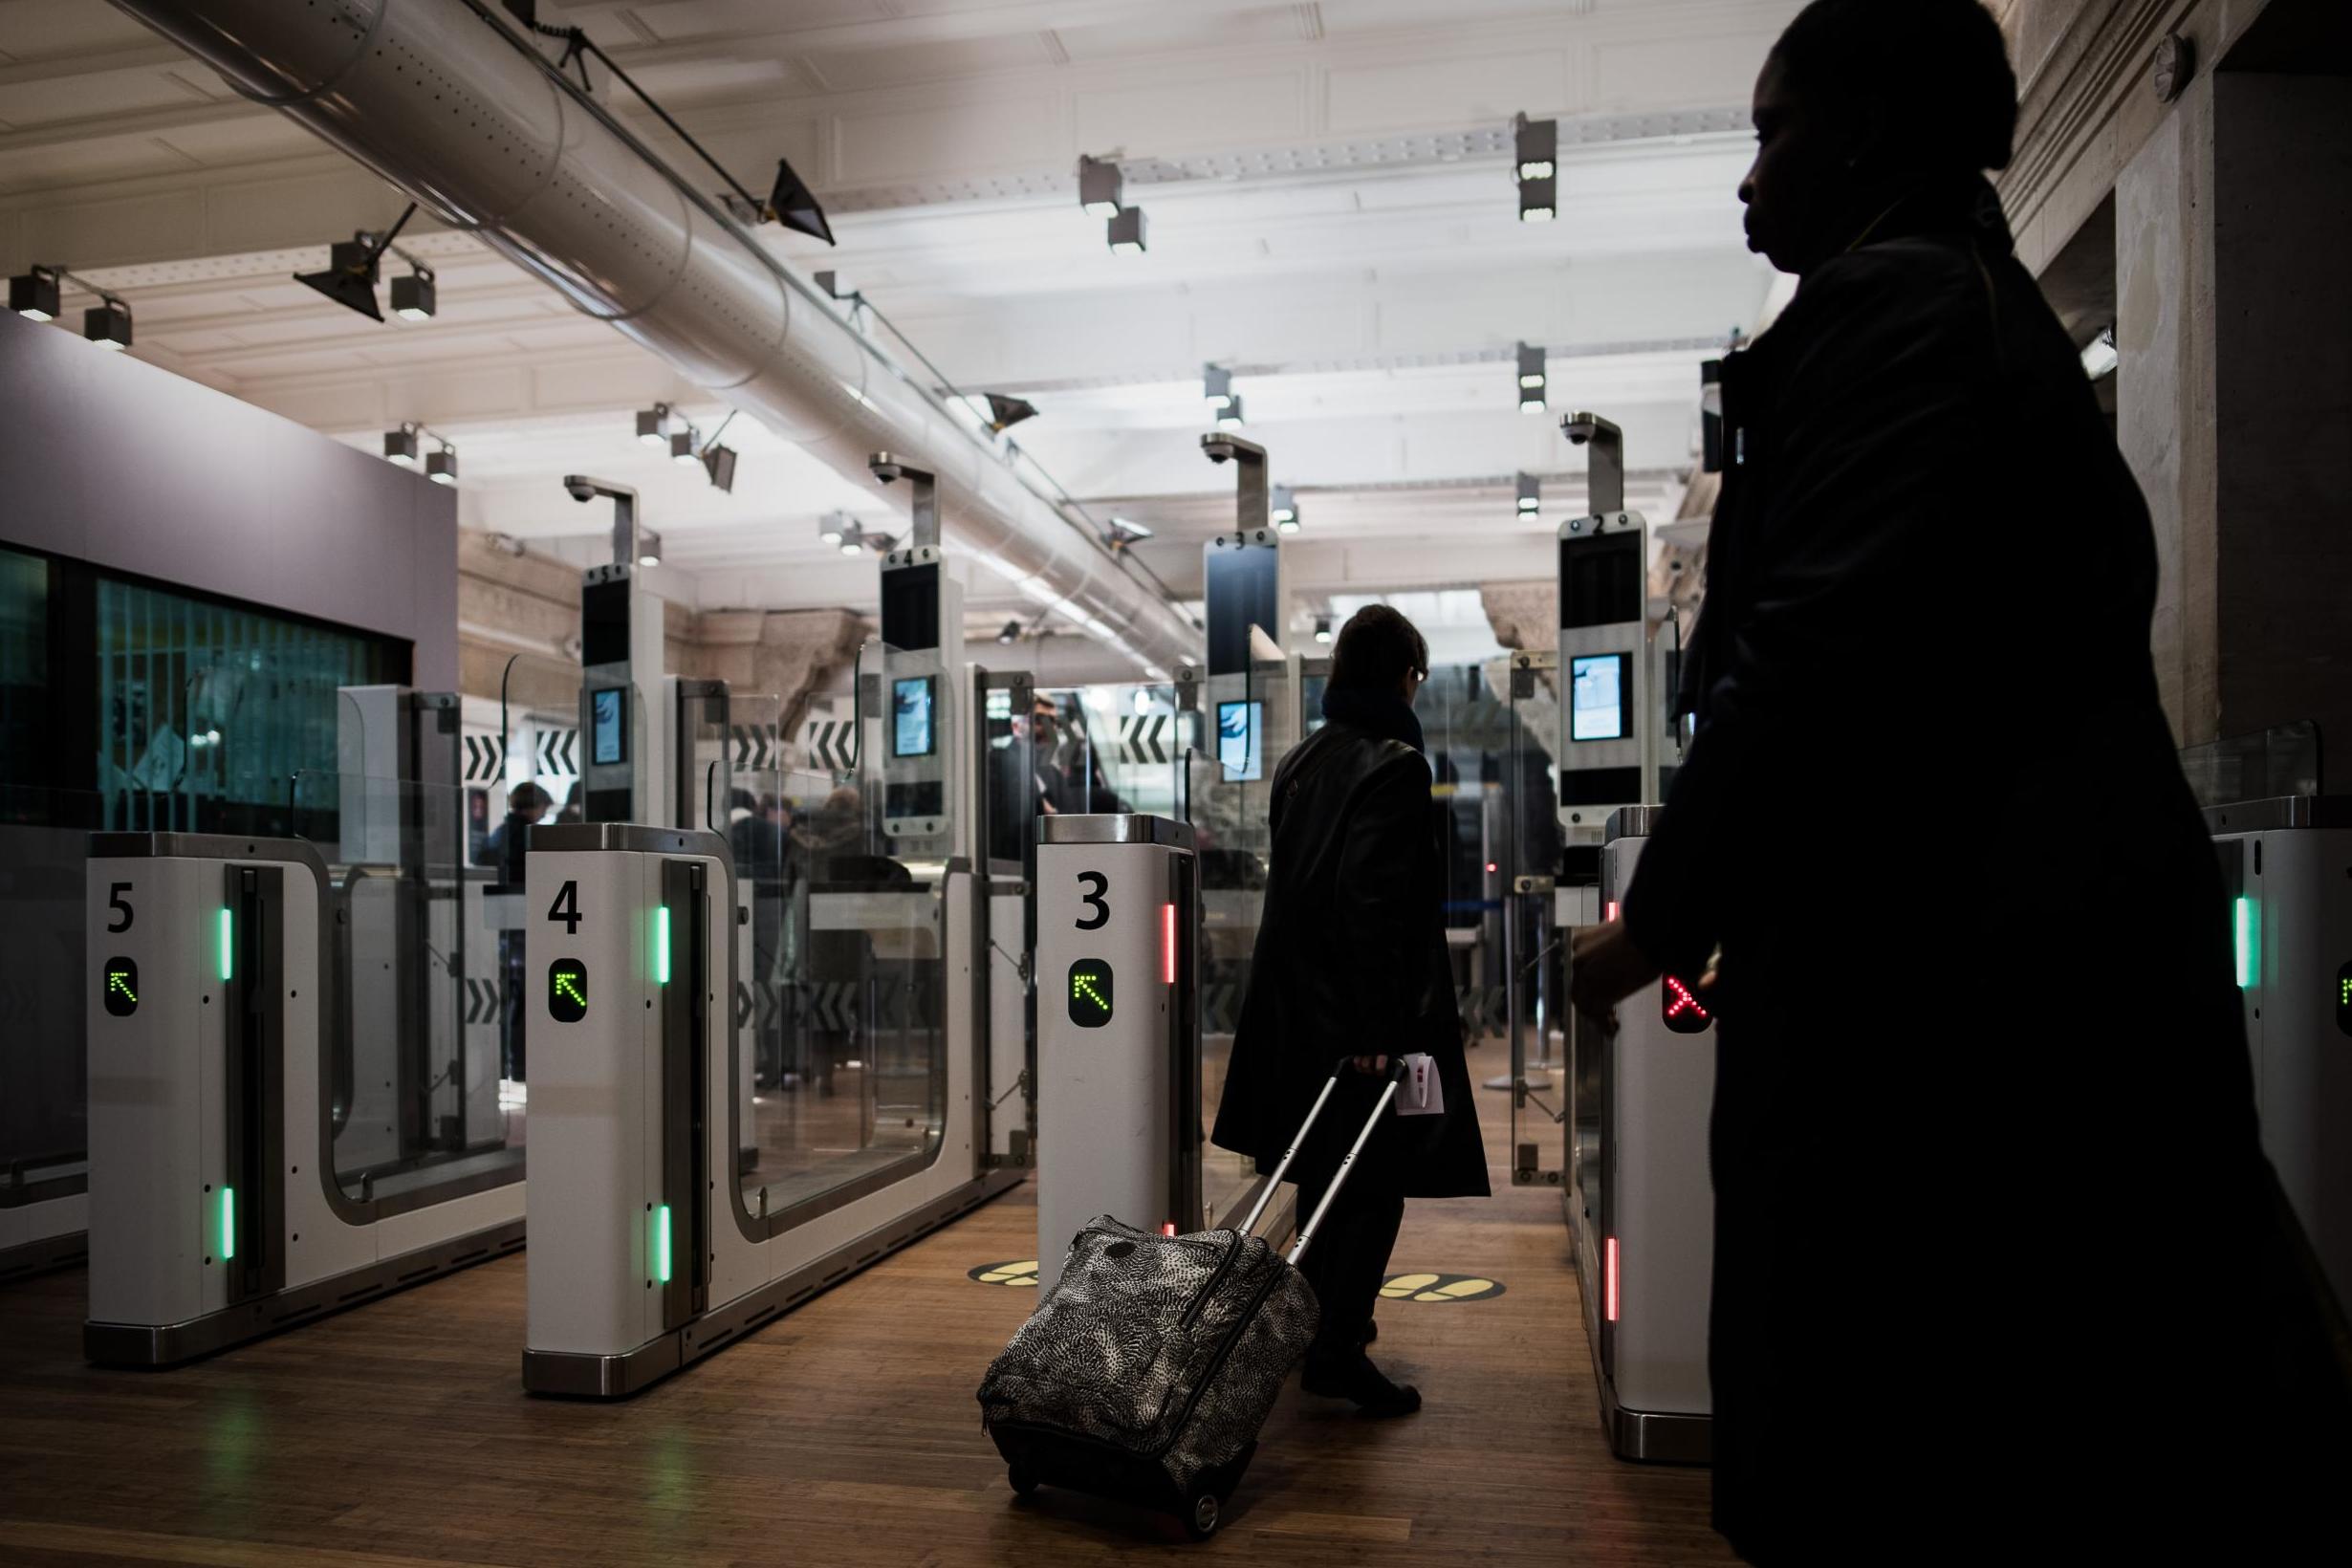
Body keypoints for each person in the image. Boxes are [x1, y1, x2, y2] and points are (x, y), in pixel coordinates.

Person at [1566, 4, 2350, 1560]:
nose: (1747, 180)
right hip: (2020, 1000)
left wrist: (1656, 926)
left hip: (1949, 1022)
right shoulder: (1980, 316)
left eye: (1771, 131)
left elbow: (1799, 664)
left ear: (1862, 134)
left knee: (1917, 1444)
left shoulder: (1903, 319)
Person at [1211, 605, 1489, 1417]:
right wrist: (1376, 1030)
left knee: (1322, 1178)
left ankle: (1316, 1335)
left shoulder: (1301, 760)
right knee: (1372, 1186)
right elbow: (1369, 902)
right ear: (1403, 675)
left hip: (1291, 1016)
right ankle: (1336, 1348)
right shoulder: (1394, 766)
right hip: (1352, 1021)